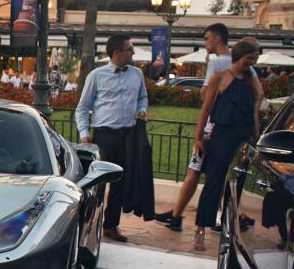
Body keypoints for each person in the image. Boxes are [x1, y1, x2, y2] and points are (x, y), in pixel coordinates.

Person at [156, 23, 237, 231]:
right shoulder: (238, 63)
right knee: (218, 175)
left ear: (217, 39)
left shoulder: (217, 63)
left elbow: (204, 95)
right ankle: (220, 216)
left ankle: (176, 216)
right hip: (228, 129)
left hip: (209, 128)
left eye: (207, 38)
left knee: (193, 170)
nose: (205, 43)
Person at [189, 40, 263, 251]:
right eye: (250, 57)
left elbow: (257, 104)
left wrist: (256, 136)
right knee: (214, 182)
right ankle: (201, 228)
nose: (252, 62)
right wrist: (198, 138)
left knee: (236, 185)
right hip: (222, 135)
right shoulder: (220, 77)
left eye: (254, 58)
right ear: (240, 55)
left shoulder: (251, 79)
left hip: (244, 137)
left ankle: (229, 228)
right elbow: (205, 110)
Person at [75, 34, 149, 242]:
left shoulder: (137, 74)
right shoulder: (96, 75)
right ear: (116, 52)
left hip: (129, 136)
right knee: (97, 184)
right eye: (129, 49)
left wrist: (142, 109)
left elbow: (143, 97)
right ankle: (87, 223)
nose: (133, 52)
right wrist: (84, 135)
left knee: (121, 183)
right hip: (104, 137)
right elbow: (82, 108)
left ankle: (111, 225)